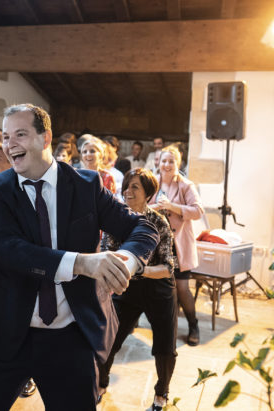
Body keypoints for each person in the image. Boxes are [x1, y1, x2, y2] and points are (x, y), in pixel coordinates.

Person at [0, 104, 158, 410]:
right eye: (7, 136)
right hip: (9, 329)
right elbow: (8, 248)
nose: (10, 144)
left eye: (20, 134)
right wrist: (83, 262)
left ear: (46, 137)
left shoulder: (87, 186)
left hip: (72, 334)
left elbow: (143, 227)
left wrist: (124, 264)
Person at [98, 168, 178, 411]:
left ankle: (161, 393)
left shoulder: (158, 222)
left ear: (148, 194)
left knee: (165, 346)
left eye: (135, 187)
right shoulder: (116, 218)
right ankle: (100, 384)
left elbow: (168, 266)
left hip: (159, 289)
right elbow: (105, 253)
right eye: (127, 186)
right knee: (110, 338)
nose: (127, 191)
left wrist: (139, 270)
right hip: (127, 289)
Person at [150, 145, 204, 346]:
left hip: (178, 244)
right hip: (156, 243)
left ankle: (193, 324)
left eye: (171, 161)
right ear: (159, 162)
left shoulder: (186, 185)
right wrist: (158, 207)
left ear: (177, 163)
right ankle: (162, 328)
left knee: (182, 288)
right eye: (164, 160)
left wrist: (172, 207)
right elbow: (142, 206)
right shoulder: (152, 182)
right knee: (156, 286)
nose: (167, 165)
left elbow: (198, 211)